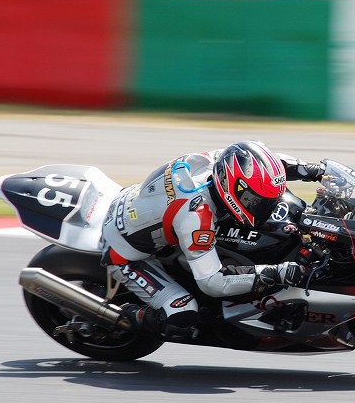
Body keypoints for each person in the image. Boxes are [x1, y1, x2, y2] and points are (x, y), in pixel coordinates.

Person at [100, 140, 325, 340]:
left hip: (141, 210)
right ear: (232, 188)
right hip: (126, 254)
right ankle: (122, 317)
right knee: (182, 316)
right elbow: (212, 282)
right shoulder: (197, 215)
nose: (266, 207)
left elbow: (268, 166)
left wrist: (315, 171)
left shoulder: (224, 162)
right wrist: (276, 273)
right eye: (256, 200)